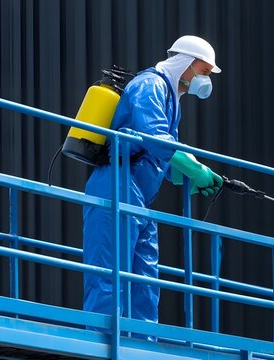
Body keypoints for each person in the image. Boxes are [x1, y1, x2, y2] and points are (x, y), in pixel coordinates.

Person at [82, 35, 223, 336]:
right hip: (117, 185)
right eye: (204, 70)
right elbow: (155, 138)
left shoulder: (172, 98)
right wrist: (194, 167)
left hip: (140, 195)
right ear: (185, 63)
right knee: (110, 270)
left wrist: (185, 175)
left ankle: (143, 342)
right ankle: (101, 340)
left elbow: (157, 155)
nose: (206, 79)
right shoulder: (151, 85)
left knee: (144, 277)